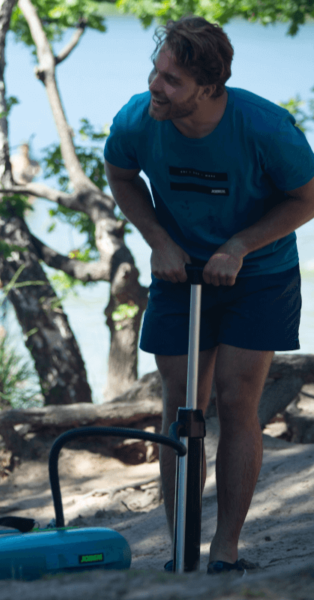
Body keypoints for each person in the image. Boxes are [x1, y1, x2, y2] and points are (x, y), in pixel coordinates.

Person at [104, 14, 314, 575]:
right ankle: (180, 548)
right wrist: (159, 241)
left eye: (172, 80)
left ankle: (224, 550)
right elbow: (120, 174)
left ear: (208, 86)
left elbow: (306, 198)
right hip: (178, 273)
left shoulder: (265, 128)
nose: (156, 86)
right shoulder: (138, 119)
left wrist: (241, 245)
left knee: (236, 400)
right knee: (180, 407)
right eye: (156, 71)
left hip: (260, 275)